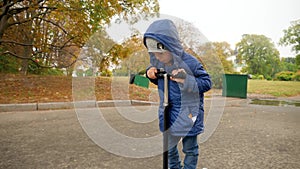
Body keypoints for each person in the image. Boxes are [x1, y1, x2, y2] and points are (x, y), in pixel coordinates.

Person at [143, 19, 212, 169]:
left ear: (171, 47)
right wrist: (150, 74)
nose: (157, 57)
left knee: (190, 150)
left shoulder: (191, 63)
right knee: (169, 150)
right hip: (168, 115)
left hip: (189, 115)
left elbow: (207, 83)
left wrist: (186, 80)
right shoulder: (159, 63)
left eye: (160, 54)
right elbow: (161, 82)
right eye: (153, 54)